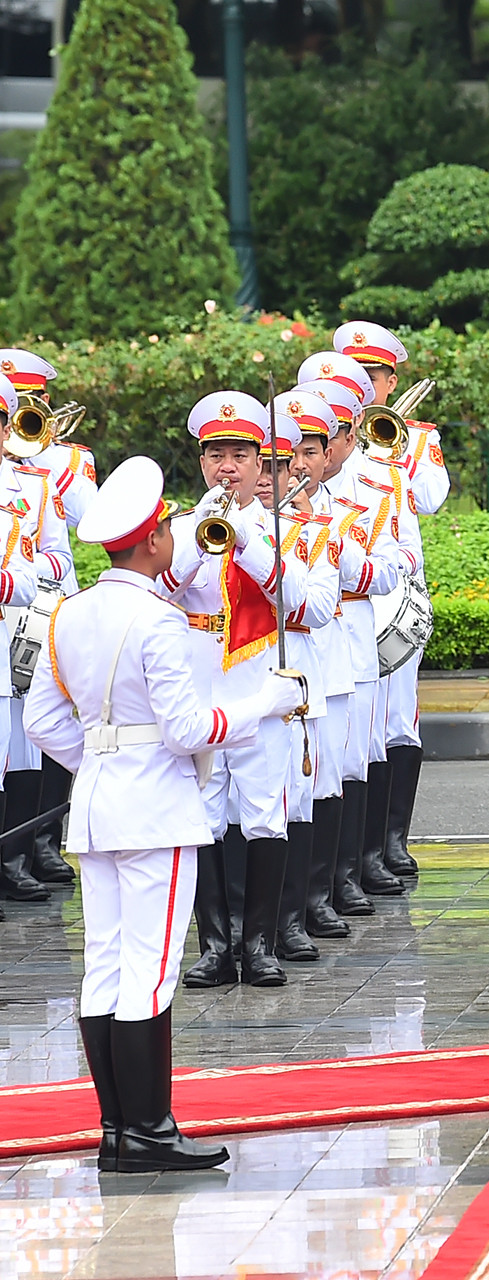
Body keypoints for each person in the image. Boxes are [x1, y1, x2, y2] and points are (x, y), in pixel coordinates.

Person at [24, 455, 304, 1172]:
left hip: (96, 806)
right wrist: (262, 705)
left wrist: (103, 763)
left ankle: (118, 1129)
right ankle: (148, 1128)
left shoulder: (69, 613)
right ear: (152, 541)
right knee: (148, 969)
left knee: (104, 966)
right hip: (154, 808)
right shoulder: (156, 620)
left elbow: (43, 722)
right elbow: (186, 729)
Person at [163, 391, 310, 990]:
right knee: (206, 821)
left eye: (239, 456)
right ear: (202, 463)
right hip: (201, 700)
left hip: (261, 698)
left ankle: (260, 944)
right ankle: (215, 947)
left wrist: (245, 538)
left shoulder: (280, 529)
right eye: (216, 455)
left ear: (260, 463)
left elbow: (298, 602)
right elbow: (165, 590)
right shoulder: (180, 527)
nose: (228, 467)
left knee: (264, 820)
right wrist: (203, 536)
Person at [333, 323, 440, 882]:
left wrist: (402, 448)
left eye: (370, 376)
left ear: (389, 378)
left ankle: (390, 841)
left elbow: (432, 498)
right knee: (354, 731)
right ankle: (356, 855)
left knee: (397, 721)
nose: (361, 385)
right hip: (347, 599)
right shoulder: (325, 451)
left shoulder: (412, 440)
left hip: (395, 596)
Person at [0, 349, 95, 894]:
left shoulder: (37, 483)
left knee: (26, 743)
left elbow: (62, 556)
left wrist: (16, 576)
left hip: (22, 628)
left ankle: (19, 856)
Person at [265, 390, 341, 963]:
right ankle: (240, 933)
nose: (266, 478)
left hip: (296, 680)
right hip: (234, 684)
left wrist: (270, 567)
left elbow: (316, 607)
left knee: (296, 800)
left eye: (275, 465)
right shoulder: (201, 527)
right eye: (254, 464)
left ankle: (291, 919)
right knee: (235, 812)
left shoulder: (312, 531)